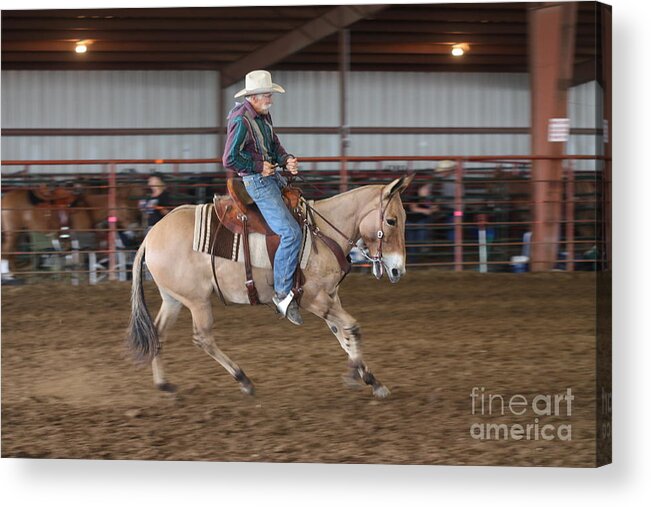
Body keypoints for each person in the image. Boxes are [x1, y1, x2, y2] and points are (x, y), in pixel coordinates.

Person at [222, 70, 302, 325]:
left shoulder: (262, 116)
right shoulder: (241, 120)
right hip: (257, 182)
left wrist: (286, 159)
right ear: (254, 97)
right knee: (291, 233)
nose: (271, 98)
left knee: (302, 215)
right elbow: (229, 158)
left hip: (269, 177)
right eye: (267, 94)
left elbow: (274, 146)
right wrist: (259, 166)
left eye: (270, 94)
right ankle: (281, 293)